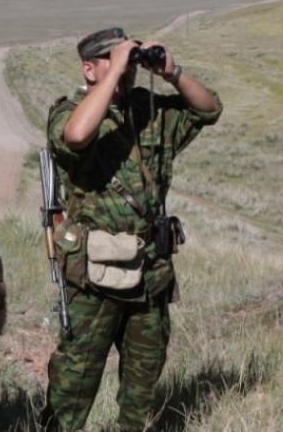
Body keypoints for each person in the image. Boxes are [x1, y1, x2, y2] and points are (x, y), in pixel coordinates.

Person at [40, 27, 222, 431]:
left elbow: (209, 109)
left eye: (127, 57)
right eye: (110, 58)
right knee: (75, 380)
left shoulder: (149, 108)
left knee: (144, 378)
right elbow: (76, 136)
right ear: (88, 69)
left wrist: (173, 72)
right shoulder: (69, 111)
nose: (124, 65)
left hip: (151, 270)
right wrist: (115, 73)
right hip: (95, 276)